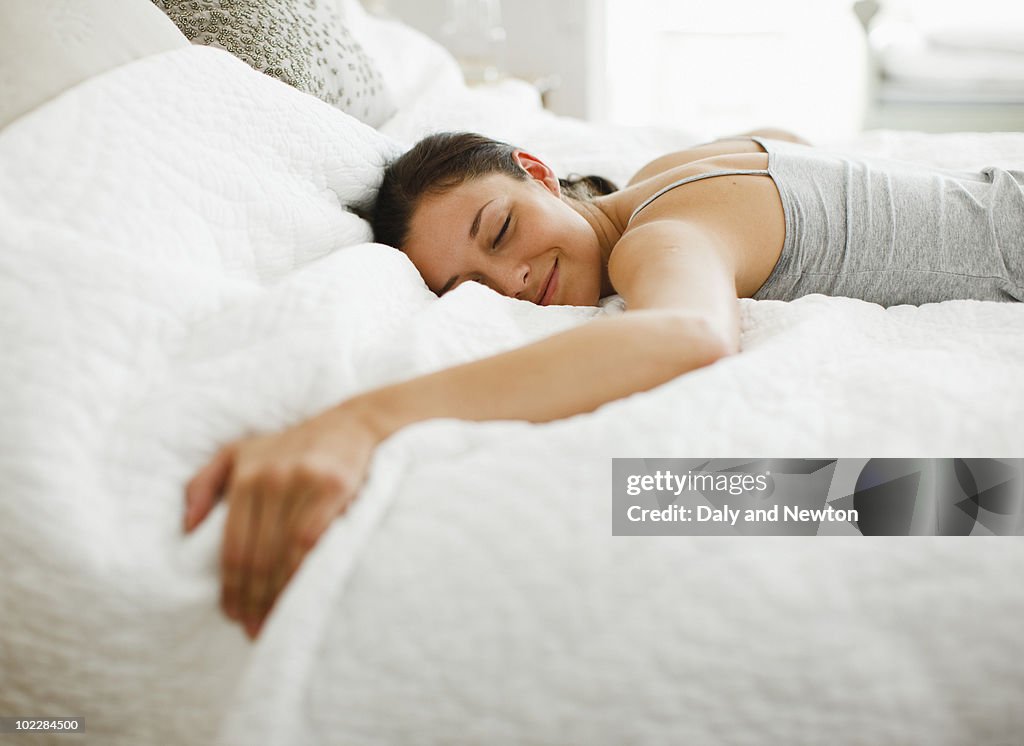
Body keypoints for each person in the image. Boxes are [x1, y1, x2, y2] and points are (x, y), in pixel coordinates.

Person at [183, 128, 1024, 638]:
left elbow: (686, 335)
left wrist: (363, 421)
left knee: (689, 497)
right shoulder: (671, 168)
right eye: (471, 287)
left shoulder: (656, 238)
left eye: (501, 229)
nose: (510, 281)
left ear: (538, 169)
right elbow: (777, 133)